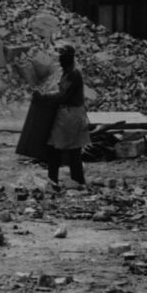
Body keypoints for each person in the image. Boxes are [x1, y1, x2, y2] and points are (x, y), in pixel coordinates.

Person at [45, 44, 90, 189]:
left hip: (72, 115)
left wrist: (46, 98)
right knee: (66, 149)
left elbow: (64, 96)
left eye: (62, 58)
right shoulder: (66, 74)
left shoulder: (73, 74)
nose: (60, 61)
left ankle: (70, 180)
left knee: (66, 150)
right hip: (67, 115)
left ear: (68, 59)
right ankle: (71, 180)